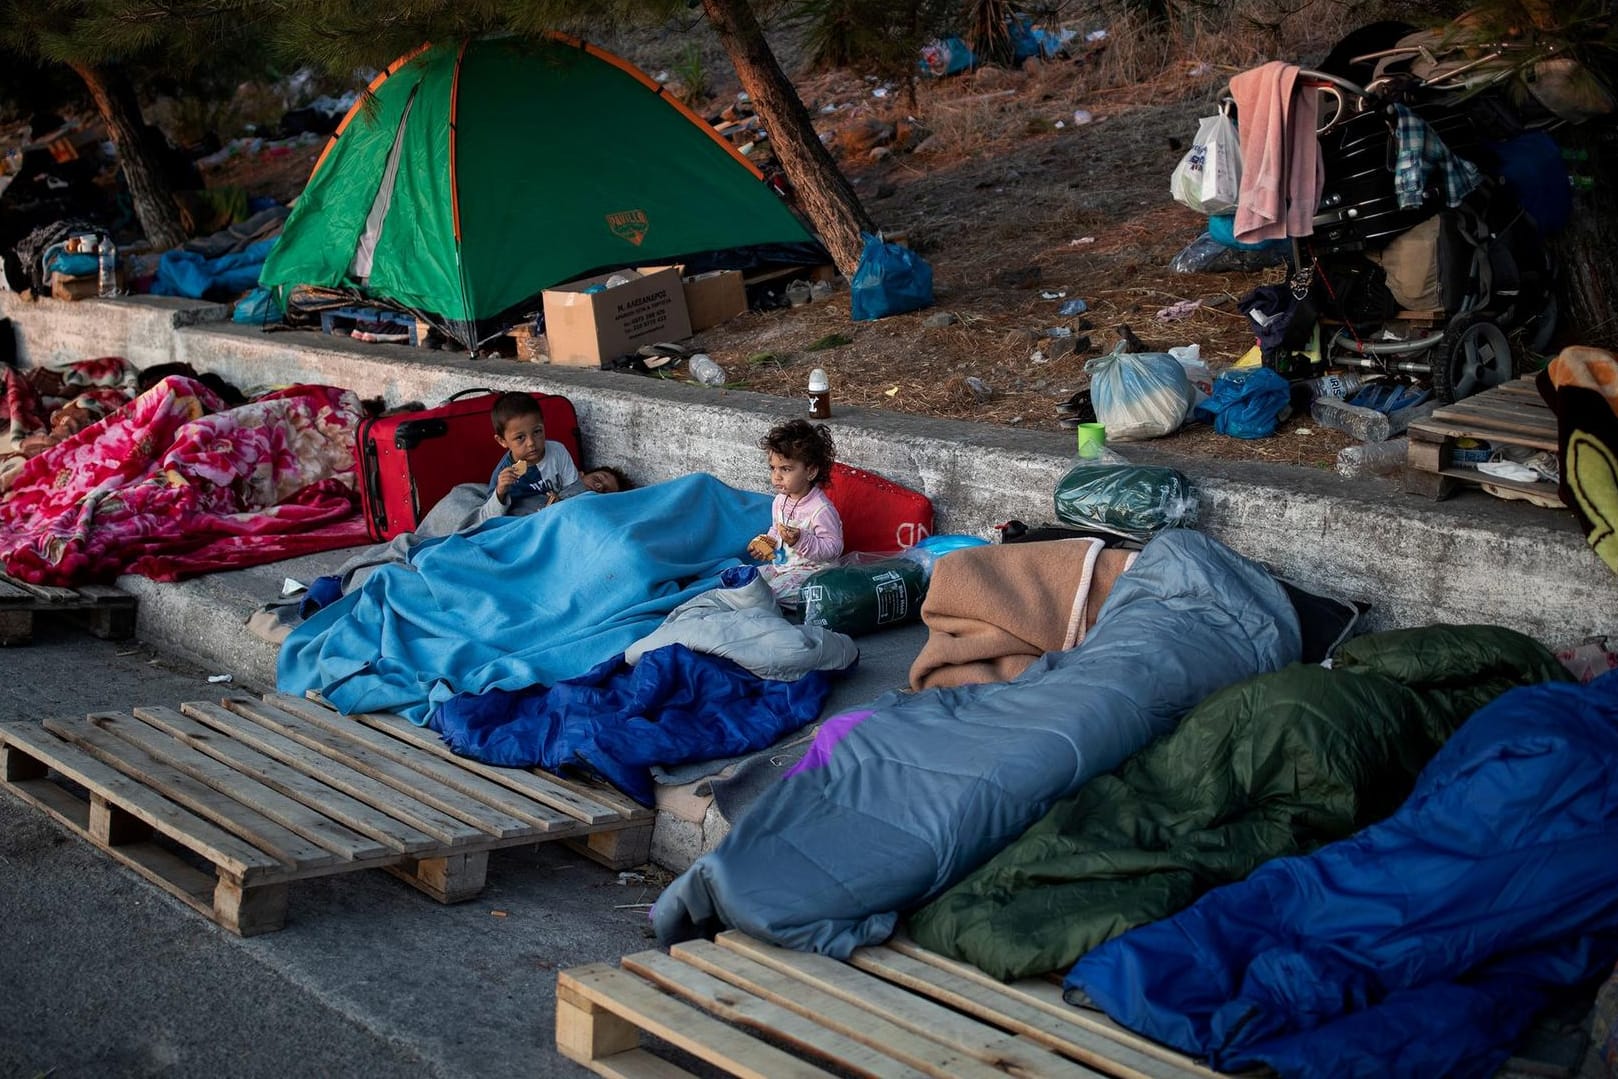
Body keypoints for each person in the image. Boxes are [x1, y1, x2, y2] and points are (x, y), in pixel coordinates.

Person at [746, 419, 843, 602]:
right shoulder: (780, 501)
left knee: (769, 595)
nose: (777, 476)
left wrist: (801, 540)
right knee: (750, 580)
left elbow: (834, 548)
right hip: (783, 567)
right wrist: (767, 543)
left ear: (811, 472)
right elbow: (777, 530)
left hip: (813, 573)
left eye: (786, 469)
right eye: (773, 468)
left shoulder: (820, 509)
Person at [482, 392, 580, 519]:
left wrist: (561, 502)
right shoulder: (504, 473)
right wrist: (500, 492)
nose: (531, 443)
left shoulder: (557, 452)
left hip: (560, 515)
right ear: (502, 441)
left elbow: (576, 488)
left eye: (537, 431)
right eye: (520, 437)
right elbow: (489, 517)